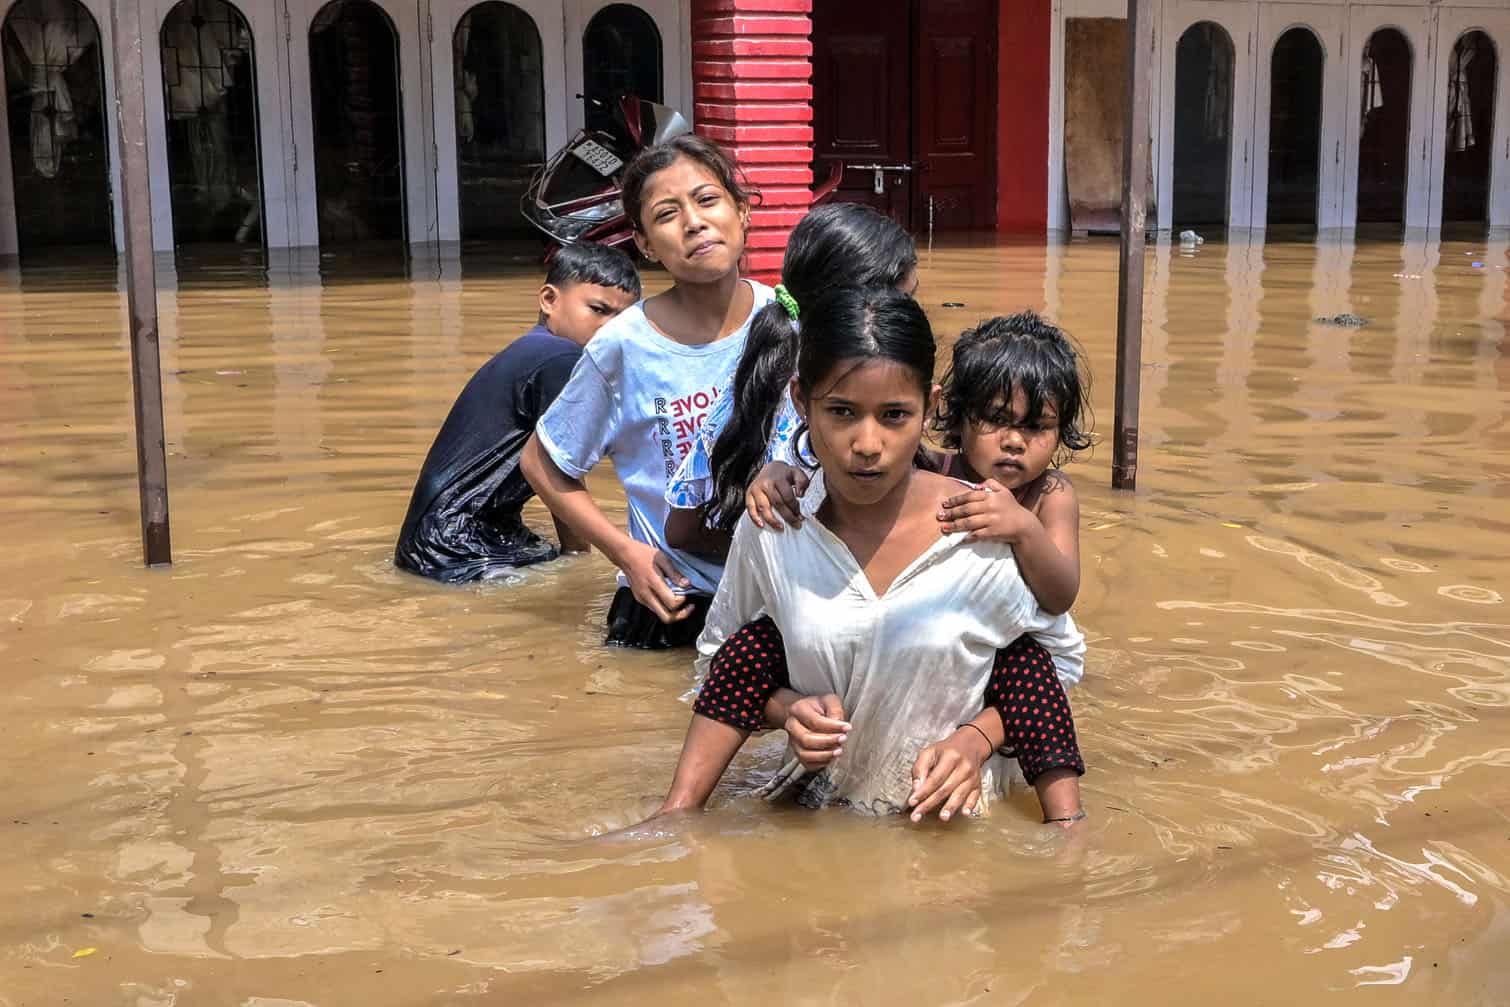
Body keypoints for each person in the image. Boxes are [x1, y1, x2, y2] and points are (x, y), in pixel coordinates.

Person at [656, 286, 1087, 824]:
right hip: (816, 816)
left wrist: (976, 742)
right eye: (840, 412)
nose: (866, 443)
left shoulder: (983, 533)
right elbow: (721, 665)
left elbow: (1057, 664)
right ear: (800, 402)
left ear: (928, 410)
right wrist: (787, 711)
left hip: (958, 826)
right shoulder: (775, 528)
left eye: (894, 416)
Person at [520, 135, 775, 648]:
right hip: (671, 604)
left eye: (707, 200)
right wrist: (626, 554)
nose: (694, 223)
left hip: (777, 600)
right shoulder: (623, 345)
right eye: (667, 214)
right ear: (644, 245)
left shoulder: (788, 319)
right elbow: (542, 463)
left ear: (742, 212)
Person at [662, 202, 918, 558]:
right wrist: (789, 564)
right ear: (867, 314)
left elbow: (681, 530)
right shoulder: (862, 399)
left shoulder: (757, 369)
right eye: (908, 300)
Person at [394, 243, 640, 583]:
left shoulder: (536, 350)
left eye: (624, 319)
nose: (612, 328)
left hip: (446, 538)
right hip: (455, 548)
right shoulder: (561, 359)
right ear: (549, 300)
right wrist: (580, 557)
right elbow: (562, 469)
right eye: (598, 310)